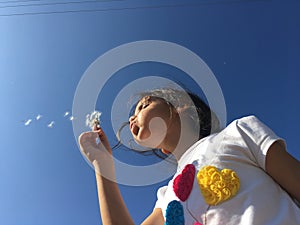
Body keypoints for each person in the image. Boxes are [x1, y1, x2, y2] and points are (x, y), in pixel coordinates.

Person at [79, 88, 300, 225]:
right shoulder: (166, 197)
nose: (132, 120)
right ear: (163, 150)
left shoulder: (238, 133)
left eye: (144, 105)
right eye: (132, 117)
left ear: (181, 108)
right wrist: (103, 164)